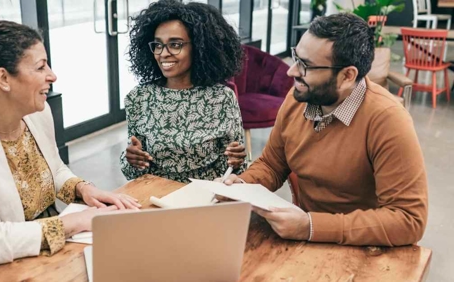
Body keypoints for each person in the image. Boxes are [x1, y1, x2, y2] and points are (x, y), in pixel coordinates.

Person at [0, 21, 140, 273]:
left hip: (48, 252)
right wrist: (75, 222)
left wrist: (84, 190)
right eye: (40, 67)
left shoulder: (37, 113)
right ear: (3, 78)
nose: (52, 75)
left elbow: (55, 169)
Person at [219, 13, 428, 246]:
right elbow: (272, 164)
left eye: (305, 65)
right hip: (304, 239)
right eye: (296, 57)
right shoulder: (298, 98)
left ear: (348, 76)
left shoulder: (388, 120)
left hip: (366, 248)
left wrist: (311, 227)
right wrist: (243, 185)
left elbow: (409, 220)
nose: (292, 72)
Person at [120, 0, 247, 183]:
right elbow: (133, 173)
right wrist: (131, 160)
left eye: (175, 44)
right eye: (158, 45)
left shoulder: (221, 98)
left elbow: (234, 169)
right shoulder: (139, 98)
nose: (163, 53)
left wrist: (236, 161)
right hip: (155, 197)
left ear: (199, 47)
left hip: (206, 198)